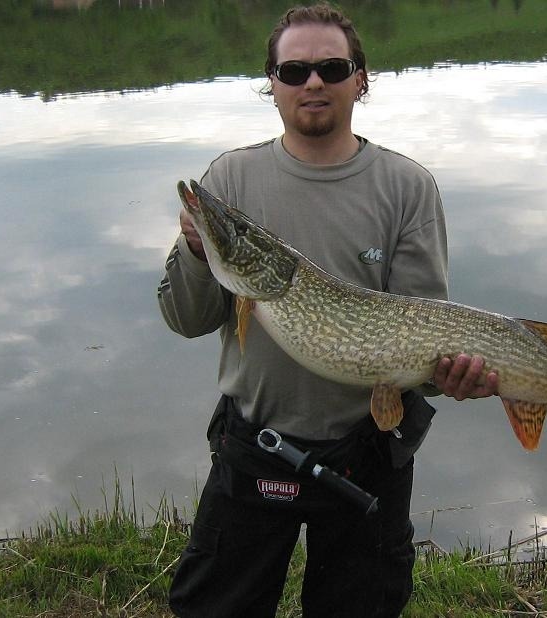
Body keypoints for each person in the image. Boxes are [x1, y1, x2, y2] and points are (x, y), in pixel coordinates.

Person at [158, 3, 498, 616]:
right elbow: (185, 319)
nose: (312, 82)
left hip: (368, 451)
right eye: (294, 72)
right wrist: (194, 247)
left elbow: (421, 336)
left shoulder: (406, 186)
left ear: (360, 79)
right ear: (273, 85)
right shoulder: (230, 180)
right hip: (253, 443)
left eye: (332, 67)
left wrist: (452, 380)